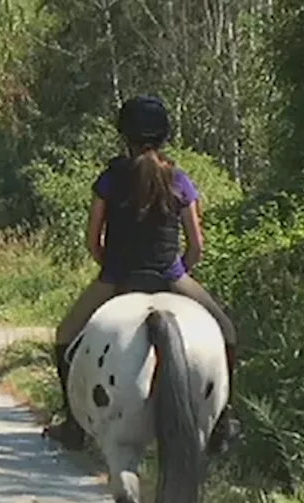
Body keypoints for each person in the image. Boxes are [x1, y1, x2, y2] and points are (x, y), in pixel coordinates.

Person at [44, 95, 240, 451]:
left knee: (64, 334)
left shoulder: (109, 180)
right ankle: (222, 422)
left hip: (118, 276)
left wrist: (110, 267)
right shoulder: (180, 180)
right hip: (170, 276)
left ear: (125, 136)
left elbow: (93, 239)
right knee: (226, 330)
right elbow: (196, 245)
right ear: (165, 135)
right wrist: (181, 270)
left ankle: (74, 424)